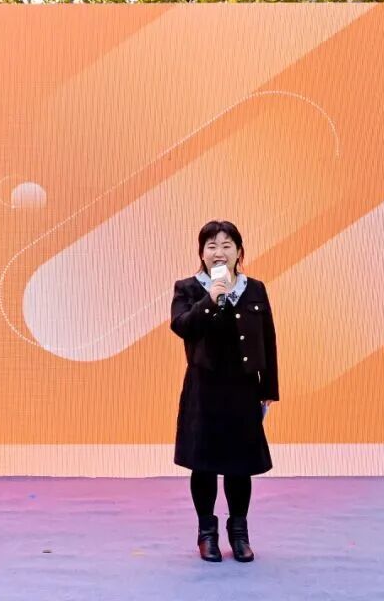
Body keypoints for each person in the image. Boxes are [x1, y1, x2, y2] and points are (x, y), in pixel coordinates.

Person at [169, 220, 279, 563]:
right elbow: (181, 326)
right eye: (212, 246)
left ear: (239, 252)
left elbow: (268, 338)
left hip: (243, 389)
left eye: (227, 245)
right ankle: (207, 533)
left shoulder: (255, 289)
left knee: (239, 465)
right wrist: (210, 298)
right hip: (203, 389)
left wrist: (269, 387)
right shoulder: (188, 288)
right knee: (203, 464)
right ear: (201, 253)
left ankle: (239, 532)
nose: (219, 252)